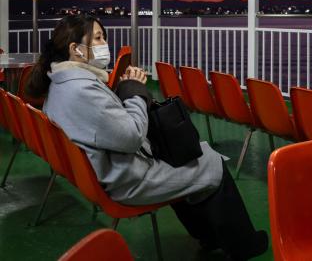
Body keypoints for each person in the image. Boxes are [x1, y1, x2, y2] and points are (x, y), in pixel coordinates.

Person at [26, 15, 268, 260]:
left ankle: (208, 237)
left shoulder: (61, 83)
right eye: (98, 38)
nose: (104, 43)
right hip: (128, 180)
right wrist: (135, 93)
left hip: (104, 172)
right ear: (75, 49)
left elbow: (102, 122)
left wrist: (124, 96)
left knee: (182, 156)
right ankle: (241, 245)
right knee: (209, 159)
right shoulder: (82, 89)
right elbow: (131, 136)